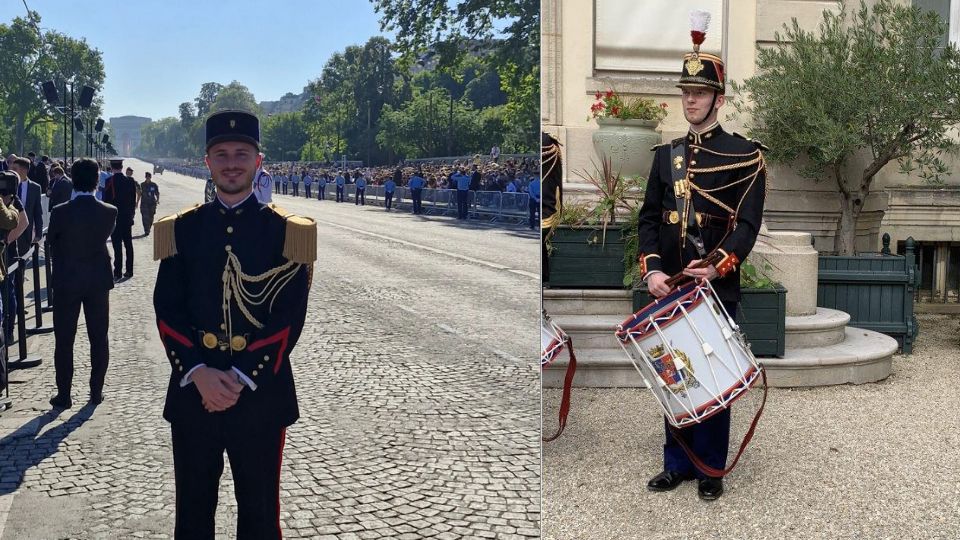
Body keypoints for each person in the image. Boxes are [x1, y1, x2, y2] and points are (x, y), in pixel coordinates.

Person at [153, 110, 316, 539]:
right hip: (194, 392)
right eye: (220, 154)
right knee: (191, 512)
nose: (231, 163)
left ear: (258, 161)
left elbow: (288, 317)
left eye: (241, 153)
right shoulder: (181, 229)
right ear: (206, 161)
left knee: (260, 515)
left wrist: (240, 376)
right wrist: (199, 372)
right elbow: (167, 309)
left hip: (261, 395)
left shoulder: (286, 232)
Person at [638, 14, 766, 502]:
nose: (689, 100)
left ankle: (711, 467)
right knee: (673, 373)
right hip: (667, 284)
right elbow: (650, 219)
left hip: (714, 284)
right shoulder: (663, 155)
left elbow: (748, 225)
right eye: (685, 92)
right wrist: (651, 269)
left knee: (711, 375)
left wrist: (718, 264)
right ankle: (676, 464)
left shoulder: (745, 155)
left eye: (699, 92)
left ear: (718, 98)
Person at [47, 159, 117, 409]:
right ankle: (96, 391)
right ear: (97, 180)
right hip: (97, 280)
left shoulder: (60, 211)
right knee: (99, 337)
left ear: (72, 179)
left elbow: (51, 242)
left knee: (64, 340)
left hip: (67, 279)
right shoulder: (109, 211)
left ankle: (64, 394)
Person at [102, 158, 138, 279]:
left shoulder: (109, 181)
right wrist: (132, 214)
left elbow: (106, 201)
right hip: (127, 217)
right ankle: (129, 270)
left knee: (117, 245)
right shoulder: (130, 181)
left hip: (115, 218)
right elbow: (133, 200)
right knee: (128, 244)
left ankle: (117, 271)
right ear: (122, 167)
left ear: (112, 168)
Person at [9, 157, 43, 260]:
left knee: (22, 262)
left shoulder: (35, 188)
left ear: (24, 170)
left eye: (15, 169)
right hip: (9, 231)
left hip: (25, 233)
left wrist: (38, 233)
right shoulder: (7, 185)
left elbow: (37, 211)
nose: (11, 170)